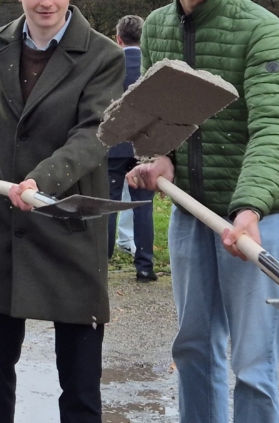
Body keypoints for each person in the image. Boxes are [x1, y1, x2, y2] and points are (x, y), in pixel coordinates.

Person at [0, 0, 124, 421]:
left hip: (69, 226)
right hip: (4, 229)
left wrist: (43, 181)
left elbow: (95, 133)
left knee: (79, 384)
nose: (46, 3)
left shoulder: (102, 55)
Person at [127, 0, 279, 422]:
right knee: (193, 350)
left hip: (258, 220)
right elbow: (158, 116)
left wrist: (249, 207)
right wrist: (162, 156)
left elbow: (278, 124)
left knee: (253, 365)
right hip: (192, 215)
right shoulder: (156, 26)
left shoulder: (261, 27)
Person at [106, 14, 156, 282]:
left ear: (118, 38)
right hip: (144, 146)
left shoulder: (108, 63)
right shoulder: (153, 66)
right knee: (143, 207)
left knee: (108, 203)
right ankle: (145, 265)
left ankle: (102, 261)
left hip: (114, 143)